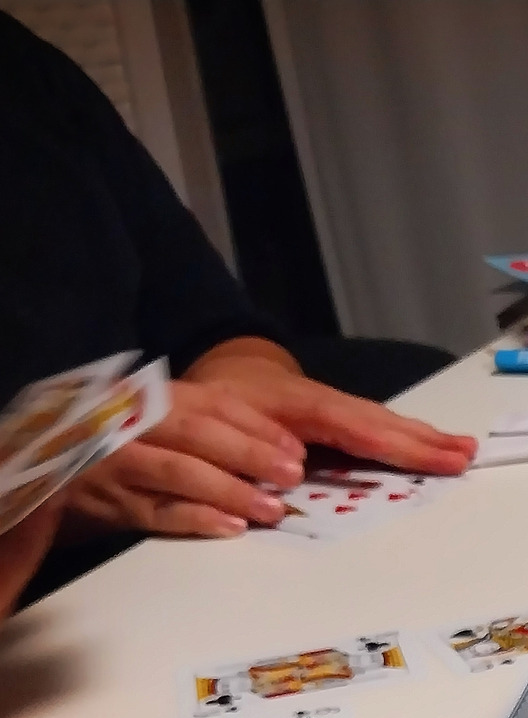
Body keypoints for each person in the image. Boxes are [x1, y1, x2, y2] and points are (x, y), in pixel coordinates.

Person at [0, 12, 475, 564]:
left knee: (411, 373)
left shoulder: (22, 67)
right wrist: (36, 475)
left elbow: (208, 320)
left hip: (169, 496)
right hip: (46, 577)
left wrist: (247, 374)